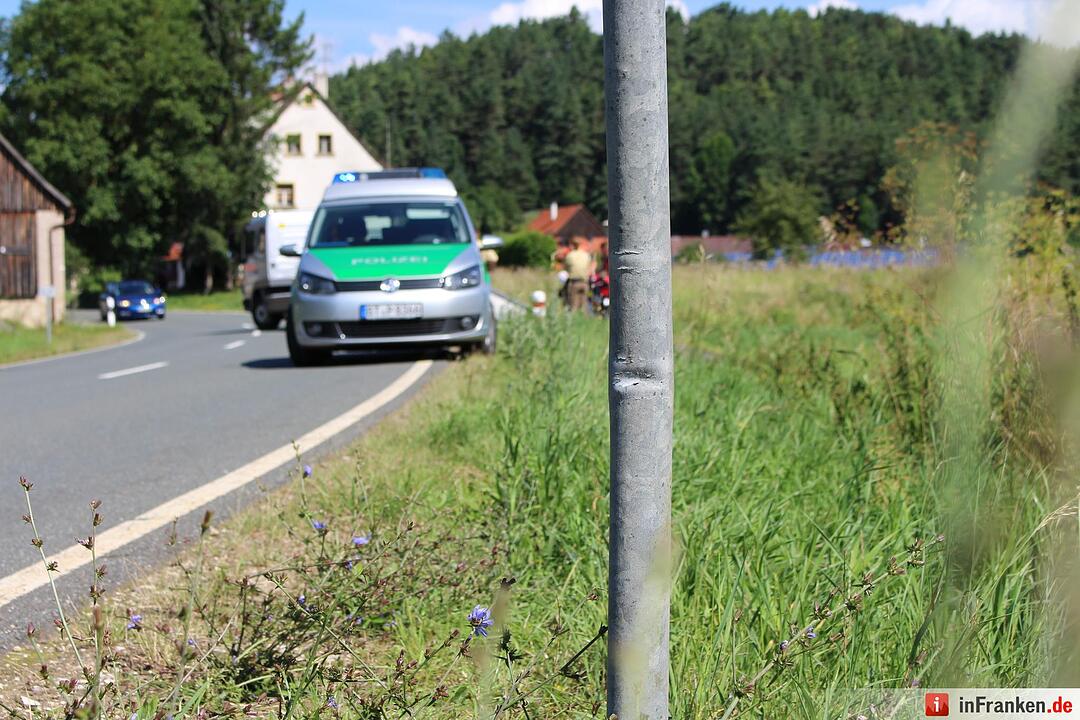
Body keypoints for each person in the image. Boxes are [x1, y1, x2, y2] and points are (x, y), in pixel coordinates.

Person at [563, 237, 594, 312]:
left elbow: (566, 268)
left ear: (572, 245)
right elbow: (589, 266)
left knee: (573, 307)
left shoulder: (570, 255)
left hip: (574, 283)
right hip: (584, 283)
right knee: (584, 307)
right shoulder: (586, 255)